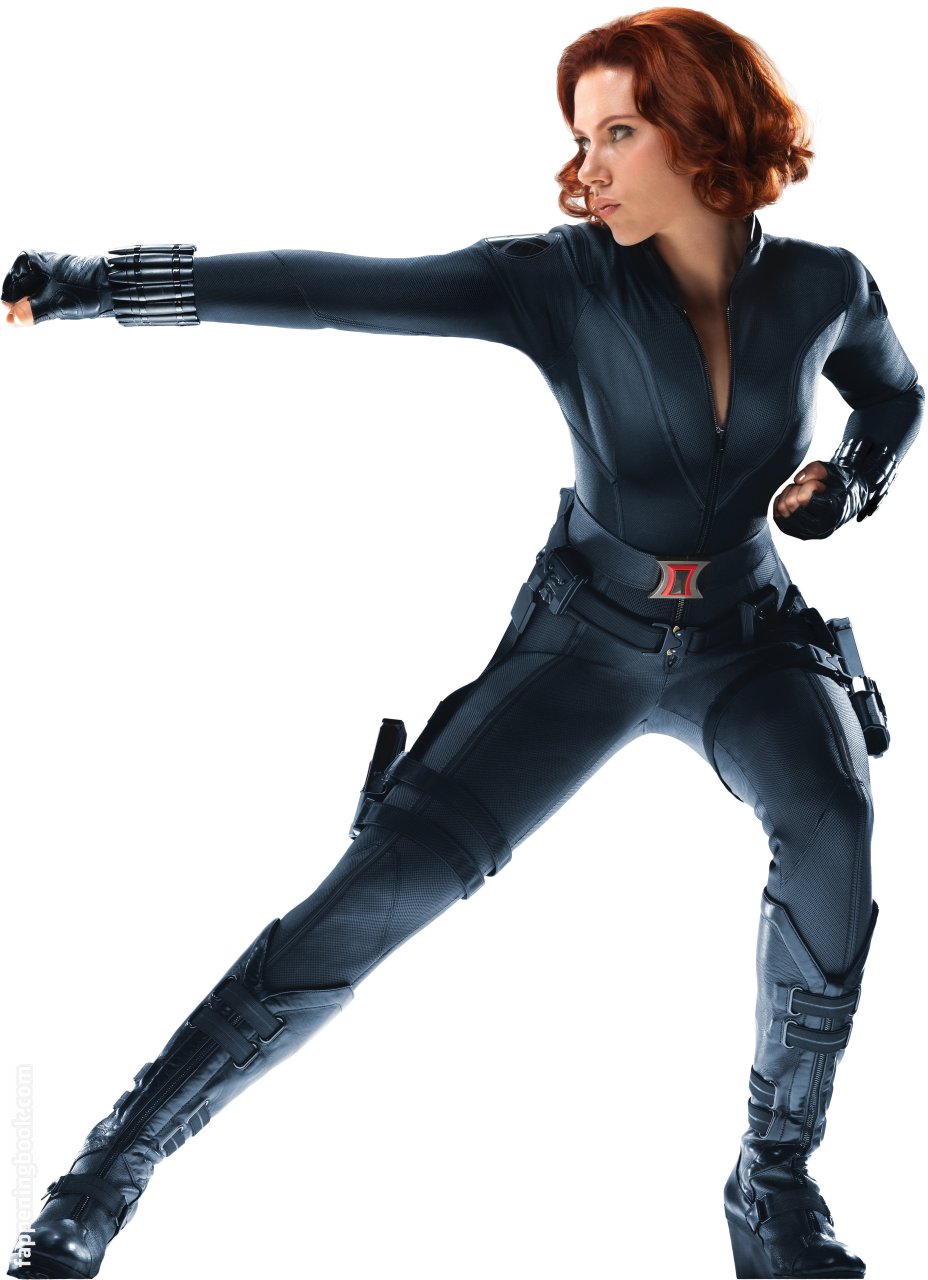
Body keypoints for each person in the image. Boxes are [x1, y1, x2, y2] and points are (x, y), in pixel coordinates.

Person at [3, 6, 921, 1278]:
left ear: (703, 132)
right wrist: (98, 283)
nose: (584, 168)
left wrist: (849, 481)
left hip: (748, 636)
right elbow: (330, 287)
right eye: (580, 137)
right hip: (585, 638)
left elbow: (893, 390)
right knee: (379, 888)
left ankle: (772, 1189)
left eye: (617, 133)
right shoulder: (558, 279)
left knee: (834, 821)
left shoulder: (826, 284)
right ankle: (102, 1176)